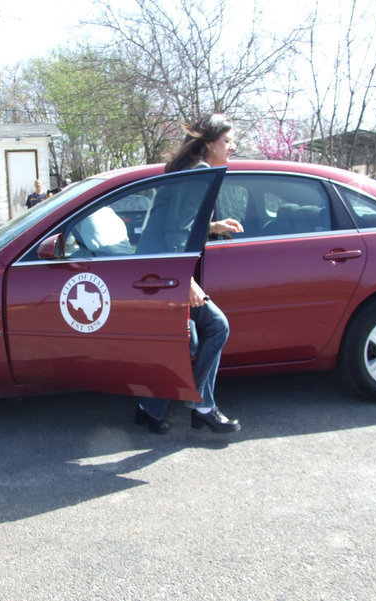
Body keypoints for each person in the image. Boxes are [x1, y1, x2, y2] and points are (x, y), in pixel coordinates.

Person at [135, 113, 243, 435]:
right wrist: (186, 282)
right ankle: (202, 407)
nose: (232, 147)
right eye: (227, 140)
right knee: (216, 327)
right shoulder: (198, 173)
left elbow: (178, 222)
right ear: (209, 143)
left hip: (155, 267)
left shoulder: (190, 170)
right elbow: (174, 232)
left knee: (189, 342)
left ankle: (149, 408)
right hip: (164, 270)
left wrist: (213, 226)